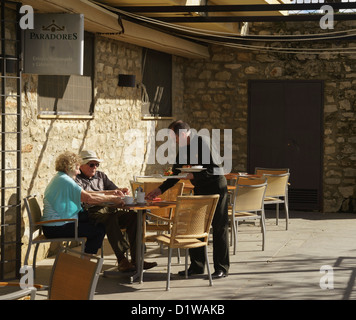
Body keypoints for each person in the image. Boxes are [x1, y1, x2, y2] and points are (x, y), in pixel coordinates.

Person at [146, 120, 230, 279]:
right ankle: (197, 266)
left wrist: (194, 175)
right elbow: (176, 173)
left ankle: (222, 268)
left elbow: (216, 169)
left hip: (216, 188)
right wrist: (159, 190)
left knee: (219, 228)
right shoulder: (183, 148)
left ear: (183, 134)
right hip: (200, 189)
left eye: (174, 138)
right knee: (195, 226)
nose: (173, 141)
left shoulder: (203, 142)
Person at [75, 150, 157, 272]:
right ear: (81, 165)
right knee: (110, 219)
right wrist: (109, 197)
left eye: (97, 164)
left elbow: (114, 190)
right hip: (90, 213)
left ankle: (137, 259)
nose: (95, 168)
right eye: (91, 165)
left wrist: (121, 190)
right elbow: (86, 198)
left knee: (134, 217)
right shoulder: (76, 179)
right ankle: (122, 259)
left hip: (109, 209)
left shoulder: (101, 176)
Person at [41, 151, 124, 256]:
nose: (79, 172)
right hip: (57, 227)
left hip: (56, 225)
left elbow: (86, 193)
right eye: (77, 168)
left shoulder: (60, 178)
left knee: (98, 221)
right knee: (98, 230)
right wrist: (112, 199)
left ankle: (86, 262)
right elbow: (88, 198)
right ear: (68, 168)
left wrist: (110, 193)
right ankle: (85, 265)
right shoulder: (66, 181)